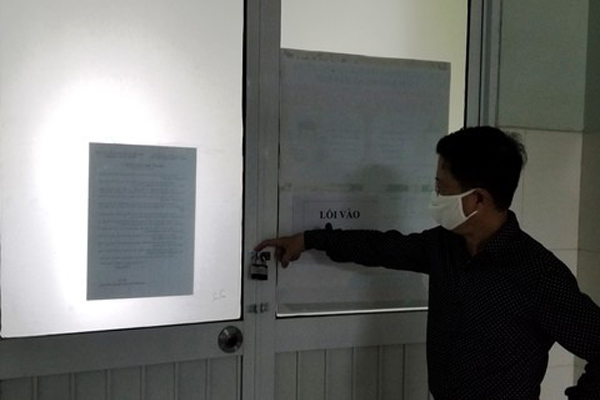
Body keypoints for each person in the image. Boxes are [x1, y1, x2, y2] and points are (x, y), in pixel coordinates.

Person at [255, 126, 600, 399]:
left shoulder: (538, 275)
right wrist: (310, 239)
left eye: (442, 188)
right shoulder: (446, 246)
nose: (436, 197)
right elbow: (383, 247)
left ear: (478, 199)